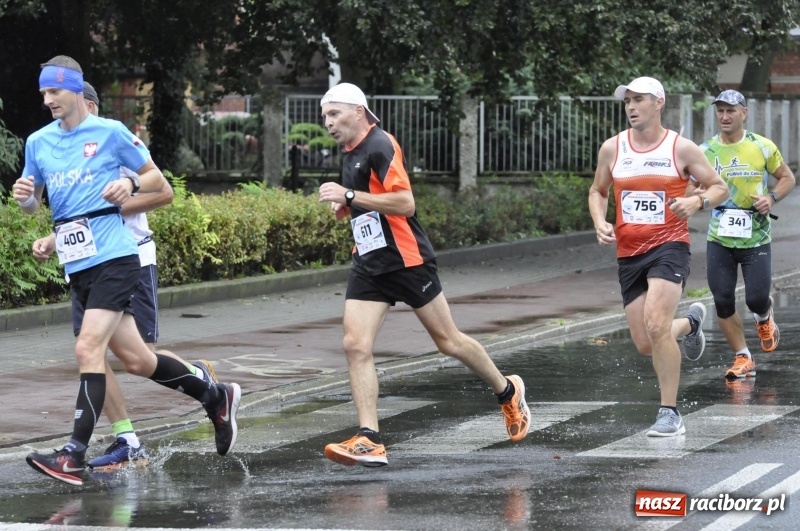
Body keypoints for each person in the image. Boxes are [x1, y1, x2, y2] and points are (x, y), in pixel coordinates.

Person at [12, 55, 240, 486]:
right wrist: (26, 197)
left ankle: (74, 455)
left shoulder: (111, 132)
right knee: (136, 358)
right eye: (43, 92)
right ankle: (215, 395)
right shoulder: (38, 143)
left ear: (77, 90)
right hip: (78, 264)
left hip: (117, 258)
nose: (47, 100)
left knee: (87, 348)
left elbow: (157, 181)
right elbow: (33, 206)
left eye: (54, 91)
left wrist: (131, 184)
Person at [317, 82, 531, 467]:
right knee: (355, 344)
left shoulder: (381, 144)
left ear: (359, 112)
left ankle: (507, 391)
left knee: (449, 341)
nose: (328, 123)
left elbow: (404, 202)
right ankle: (370, 438)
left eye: (334, 114)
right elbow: (370, 198)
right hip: (370, 263)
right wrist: (349, 208)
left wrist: (349, 196)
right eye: (325, 117)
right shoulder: (349, 154)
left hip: (408, 260)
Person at [588, 77, 729, 437]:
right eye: (627, 101)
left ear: (659, 103)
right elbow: (598, 190)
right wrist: (599, 219)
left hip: (669, 246)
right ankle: (691, 325)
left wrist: (697, 201)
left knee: (655, 323)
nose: (631, 107)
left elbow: (719, 187)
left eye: (639, 100)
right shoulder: (612, 148)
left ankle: (670, 413)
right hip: (628, 252)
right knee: (645, 342)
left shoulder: (681, 149)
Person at [689, 90, 796, 380]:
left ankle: (764, 317)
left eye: (731, 111)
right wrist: (695, 195)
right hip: (719, 238)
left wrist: (771, 198)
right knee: (722, 299)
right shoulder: (704, 151)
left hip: (756, 237)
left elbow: (788, 178)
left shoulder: (762, 147)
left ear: (744, 113)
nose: (724, 116)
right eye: (720, 111)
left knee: (756, 299)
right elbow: (687, 190)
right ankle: (743, 357)